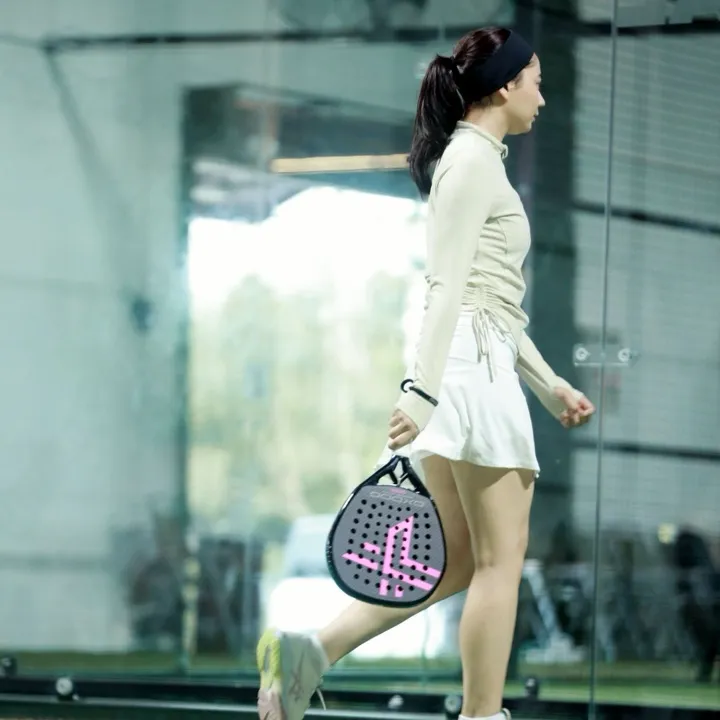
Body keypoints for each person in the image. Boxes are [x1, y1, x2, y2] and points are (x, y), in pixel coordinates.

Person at [256, 26, 595, 720]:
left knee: (457, 562)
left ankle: (309, 654)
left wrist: (549, 384)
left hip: (472, 368)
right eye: (535, 81)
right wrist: (421, 390)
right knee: (502, 563)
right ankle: (482, 716)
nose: (542, 97)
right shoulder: (470, 164)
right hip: (469, 377)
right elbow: (447, 289)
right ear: (504, 85)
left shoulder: (477, 162)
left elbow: (493, 302)